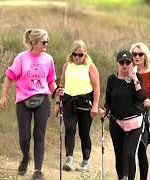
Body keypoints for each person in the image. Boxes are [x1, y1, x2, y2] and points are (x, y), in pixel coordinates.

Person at [0, 28, 59, 180]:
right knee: (24, 136)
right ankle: (26, 157)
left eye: (47, 41)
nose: (46, 44)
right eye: (43, 42)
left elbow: (51, 81)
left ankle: (38, 171)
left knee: (39, 135)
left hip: (42, 100)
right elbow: (9, 77)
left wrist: (57, 93)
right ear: (34, 42)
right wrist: (3, 96)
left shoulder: (48, 59)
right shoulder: (21, 58)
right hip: (23, 101)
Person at [99, 50, 146, 180]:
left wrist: (135, 78)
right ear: (118, 63)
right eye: (122, 62)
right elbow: (108, 102)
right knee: (119, 155)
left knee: (130, 154)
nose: (125, 65)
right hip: (116, 122)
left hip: (134, 122)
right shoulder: (112, 79)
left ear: (131, 63)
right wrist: (104, 110)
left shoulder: (137, 78)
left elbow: (142, 97)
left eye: (127, 62)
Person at [54, 40, 100, 172]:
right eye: (75, 54)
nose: (77, 57)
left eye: (80, 55)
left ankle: (86, 161)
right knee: (69, 129)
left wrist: (95, 105)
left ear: (85, 54)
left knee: (84, 132)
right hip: (68, 101)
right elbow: (61, 85)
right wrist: (57, 102)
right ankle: (69, 158)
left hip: (85, 103)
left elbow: (96, 88)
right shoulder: (67, 66)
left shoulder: (90, 67)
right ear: (71, 54)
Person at [130, 42, 150, 180]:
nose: (137, 56)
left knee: (141, 150)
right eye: (134, 54)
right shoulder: (129, 72)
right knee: (129, 151)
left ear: (145, 56)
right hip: (128, 115)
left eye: (140, 54)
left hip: (143, 115)